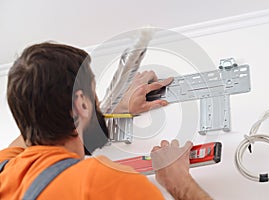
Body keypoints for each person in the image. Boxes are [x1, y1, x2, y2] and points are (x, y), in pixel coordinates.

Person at [0, 42, 212, 199]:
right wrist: (178, 183)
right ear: (80, 104)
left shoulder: (4, 170)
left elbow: (38, 118)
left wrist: (112, 108)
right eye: (94, 93)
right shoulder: (103, 182)